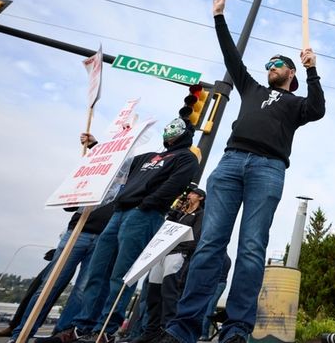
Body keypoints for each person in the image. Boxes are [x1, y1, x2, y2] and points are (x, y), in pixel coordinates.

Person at [157, 0, 325, 343]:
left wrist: (312, 71)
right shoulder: (250, 87)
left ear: (290, 71)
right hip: (231, 163)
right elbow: (231, 55)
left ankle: (236, 330)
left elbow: (318, 109)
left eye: (277, 64)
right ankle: (183, 328)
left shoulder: (295, 103)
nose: (270, 68)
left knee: (251, 247)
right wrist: (219, 17)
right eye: (267, 65)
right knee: (209, 245)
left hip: (268, 168)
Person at [39, 118, 200, 343]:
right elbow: (118, 166)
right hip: (119, 214)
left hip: (144, 215)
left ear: (185, 133)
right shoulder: (146, 157)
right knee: (98, 271)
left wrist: (147, 204)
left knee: (121, 275)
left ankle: (105, 330)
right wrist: (96, 146)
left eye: (175, 128)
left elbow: (174, 184)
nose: (168, 131)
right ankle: (82, 327)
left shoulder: (186, 158)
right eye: (167, 127)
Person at [9, 201, 115, 342]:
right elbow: (69, 205)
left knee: (83, 290)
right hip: (78, 230)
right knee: (49, 285)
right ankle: (21, 334)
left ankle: (61, 335)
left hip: (105, 237)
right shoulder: (96, 177)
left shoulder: (130, 179)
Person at [134, 188, 206, 343]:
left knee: (169, 293)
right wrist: (175, 211)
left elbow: (196, 236)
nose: (189, 195)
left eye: (193, 193)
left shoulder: (200, 214)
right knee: (153, 292)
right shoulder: (180, 213)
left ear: (200, 197)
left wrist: (184, 250)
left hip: (178, 254)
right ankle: (151, 330)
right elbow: (165, 228)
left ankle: (167, 329)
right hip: (162, 253)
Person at [0, 249, 57, 338]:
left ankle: (28, 329)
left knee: (49, 296)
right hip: (61, 256)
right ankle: (14, 326)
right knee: (33, 291)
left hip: (72, 255)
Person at [199, 253, 231, 341]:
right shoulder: (227, 258)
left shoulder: (221, 257)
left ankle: (204, 334)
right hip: (220, 283)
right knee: (210, 308)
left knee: (209, 308)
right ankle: (203, 333)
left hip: (217, 283)